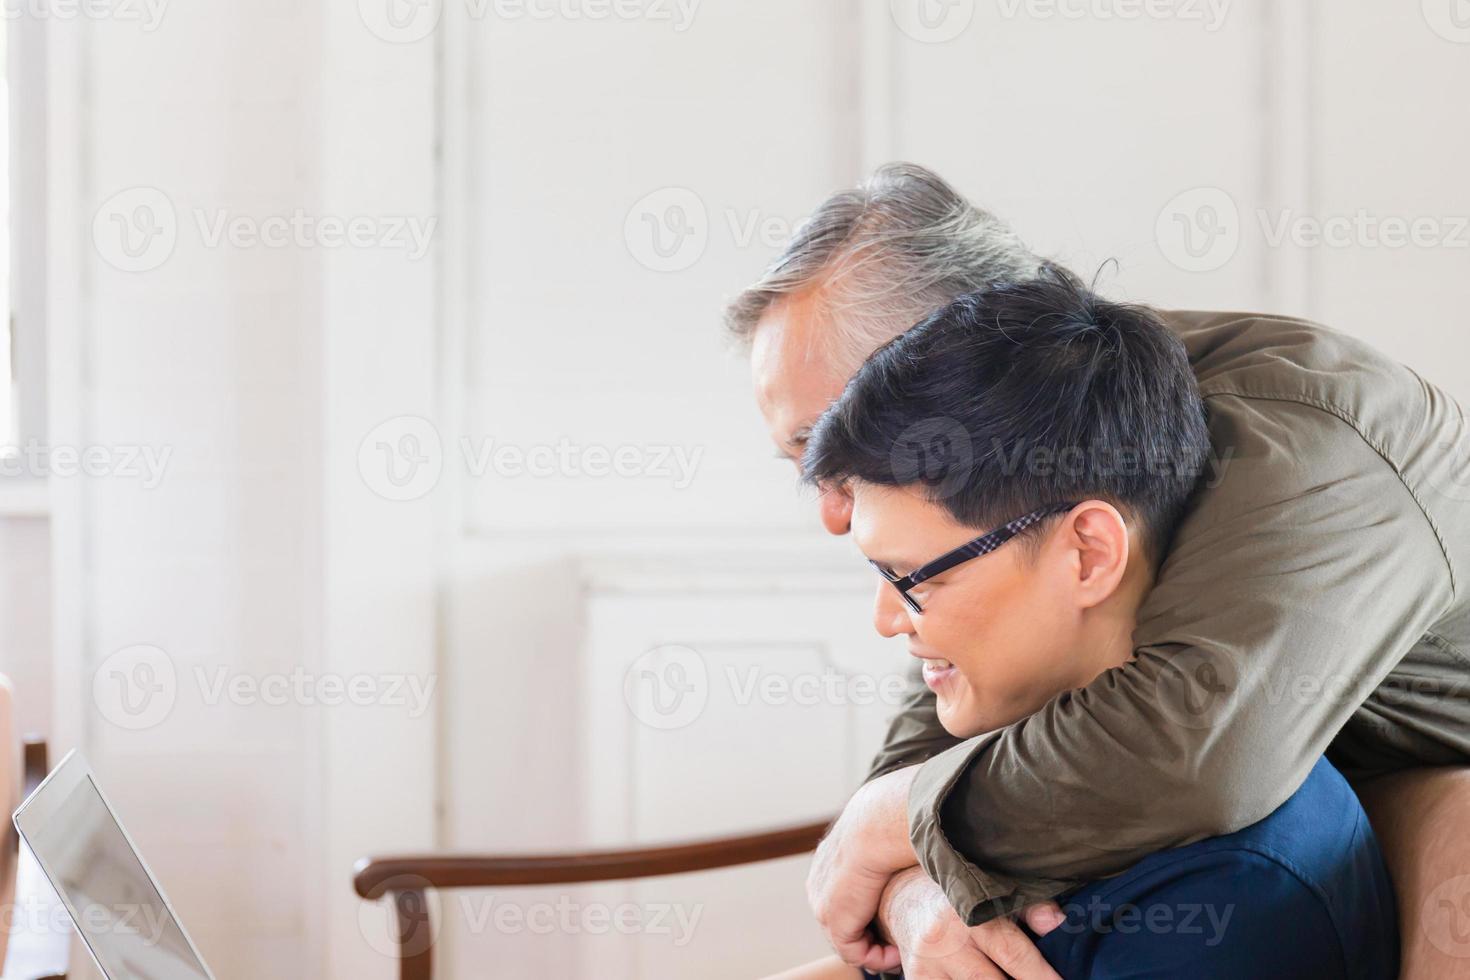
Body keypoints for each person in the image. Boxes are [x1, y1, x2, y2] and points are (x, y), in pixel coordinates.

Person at [726, 163, 1470, 978]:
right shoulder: (1026, 476)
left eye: (834, 440)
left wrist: (889, 825)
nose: (834, 511)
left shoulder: (1309, 441)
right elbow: (948, 711)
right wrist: (916, 888)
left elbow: (1199, 751)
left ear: (957, 352)